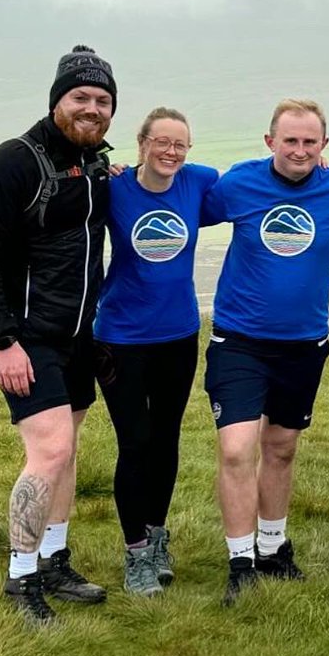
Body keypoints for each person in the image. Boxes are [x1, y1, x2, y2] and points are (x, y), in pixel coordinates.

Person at [0, 45, 116, 623]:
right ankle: (21, 577)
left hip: (76, 338)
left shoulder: (95, 165)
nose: (91, 108)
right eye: (80, 98)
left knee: (67, 449)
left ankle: (53, 559)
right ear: (57, 102)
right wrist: (1, 340)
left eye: (102, 100)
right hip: (24, 337)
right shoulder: (14, 163)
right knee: (48, 449)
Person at [200, 99, 329, 604]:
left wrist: (323, 259)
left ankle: (273, 549)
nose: (300, 150)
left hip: (303, 344)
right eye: (290, 140)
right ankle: (239, 561)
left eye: (310, 142)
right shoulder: (237, 184)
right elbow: (180, 203)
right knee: (236, 448)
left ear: (324, 146)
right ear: (269, 142)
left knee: (282, 448)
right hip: (240, 340)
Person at [93, 108, 219, 596]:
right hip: (120, 337)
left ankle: (158, 537)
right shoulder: (115, 187)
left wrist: (323, 170)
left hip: (178, 335)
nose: (170, 152)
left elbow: (259, 186)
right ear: (141, 143)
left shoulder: (198, 182)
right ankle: (135, 554)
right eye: (161, 142)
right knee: (136, 442)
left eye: (180, 144)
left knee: (167, 439)